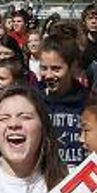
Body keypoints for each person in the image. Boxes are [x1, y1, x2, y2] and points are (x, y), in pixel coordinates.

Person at [38, 33, 88, 167]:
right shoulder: (33, 101)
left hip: (77, 179)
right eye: (44, 68)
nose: (48, 75)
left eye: (56, 69)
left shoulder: (89, 102)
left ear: (72, 67)